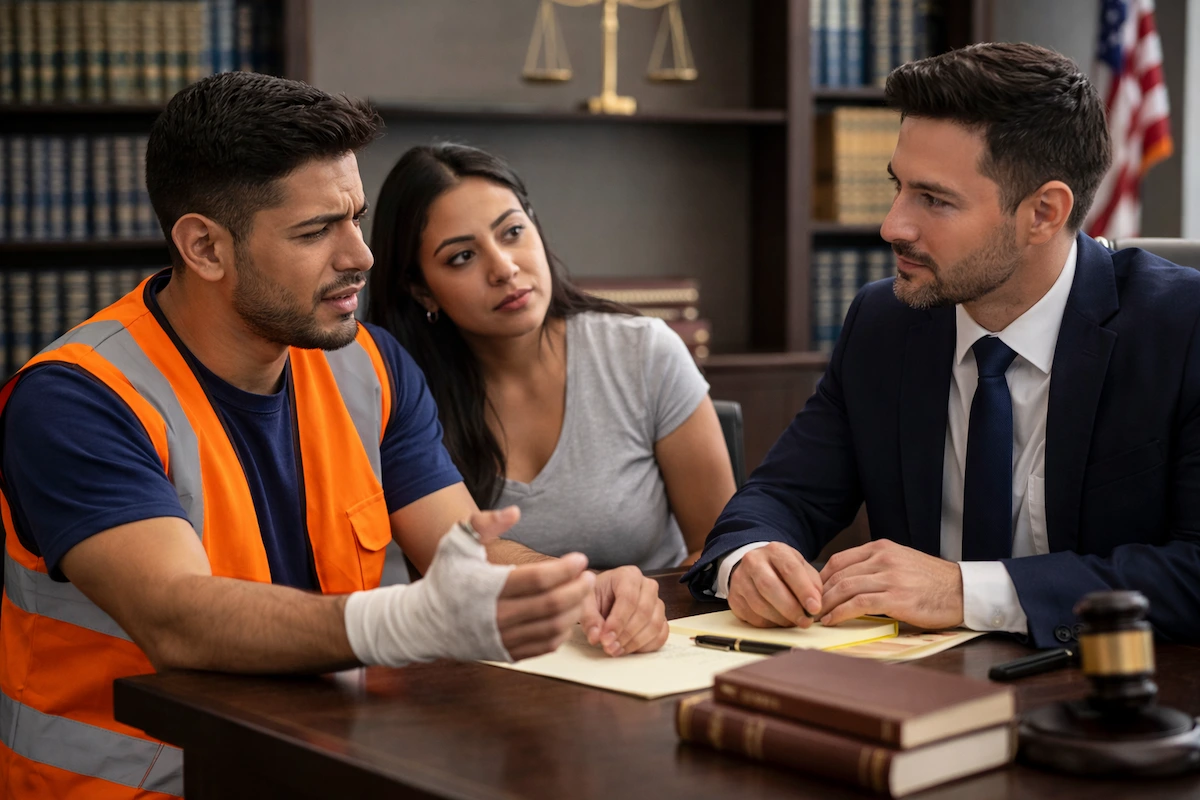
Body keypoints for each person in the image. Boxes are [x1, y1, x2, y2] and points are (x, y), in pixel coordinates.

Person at [0, 73, 602, 800]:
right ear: (205, 248)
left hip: (330, 764)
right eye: (317, 231)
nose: (361, 255)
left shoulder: (371, 364)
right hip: (143, 787)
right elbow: (176, 619)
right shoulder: (76, 398)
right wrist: (407, 620)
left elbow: (462, 548)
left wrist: (574, 587)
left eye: (356, 217)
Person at [683, 42, 1200, 648]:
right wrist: (750, 558)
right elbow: (781, 494)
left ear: (1043, 212)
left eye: (933, 199)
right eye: (897, 186)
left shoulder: (1181, 329)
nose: (892, 225)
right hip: (918, 687)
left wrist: (964, 590)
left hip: (1112, 704)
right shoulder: (885, 320)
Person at [366, 144, 736, 584]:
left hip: (657, 636)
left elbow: (721, 552)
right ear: (422, 291)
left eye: (512, 232)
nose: (504, 268)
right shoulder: (401, 395)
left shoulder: (645, 353)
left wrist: (638, 611)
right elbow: (448, 572)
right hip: (495, 649)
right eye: (462, 256)